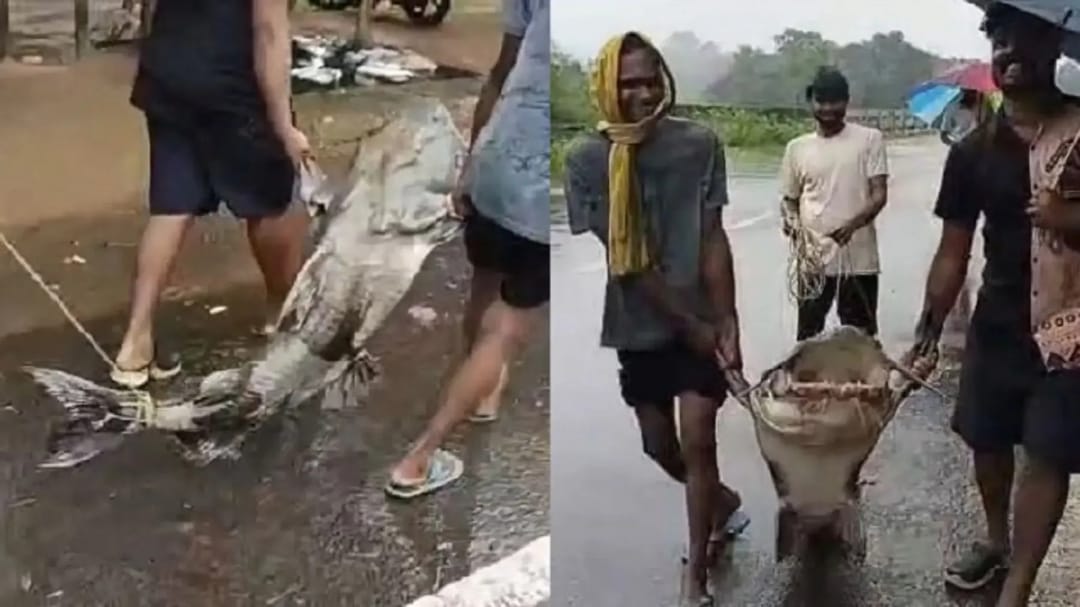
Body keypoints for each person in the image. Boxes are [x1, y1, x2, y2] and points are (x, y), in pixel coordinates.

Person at [563, 32, 748, 607]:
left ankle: (696, 572)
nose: (642, 93)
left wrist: (727, 319)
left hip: (701, 318)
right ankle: (722, 502)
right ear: (605, 90)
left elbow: (713, 235)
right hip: (638, 323)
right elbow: (627, 260)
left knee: (698, 440)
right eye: (627, 84)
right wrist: (688, 322)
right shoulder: (586, 160)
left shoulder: (700, 145)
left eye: (650, 80)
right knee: (659, 447)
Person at [906, 5, 1080, 605]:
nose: (1008, 51)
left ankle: (1018, 587)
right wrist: (929, 329)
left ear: (1054, 44)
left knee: (1050, 448)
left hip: (1071, 325)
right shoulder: (973, 150)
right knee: (987, 437)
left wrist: (1070, 220)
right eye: (998, 40)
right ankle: (996, 539)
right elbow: (953, 250)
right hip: (1000, 319)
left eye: (1024, 38)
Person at [386, 0, 550, 499]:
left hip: (497, 164)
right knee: (506, 329)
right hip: (541, 192)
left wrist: (471, 166)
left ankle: (481, 394)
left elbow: (500, 75)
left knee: (484, 280)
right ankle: (420, 458)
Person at [111, 0, 310, 387]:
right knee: (271, 201)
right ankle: (283, 315)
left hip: (167, 72)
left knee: (172, 205)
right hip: (230, 84)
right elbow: (269, 33)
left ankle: (135, 344)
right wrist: (284, 126)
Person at [779, 67, 889, 341]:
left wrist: (853, 225)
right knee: (807, 338)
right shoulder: (796, 148)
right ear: (811, 102)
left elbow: (879, 194)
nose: (828, 108)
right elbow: (789, 201)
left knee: (860, 338)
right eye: (821, 101)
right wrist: (791, 222)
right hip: (812, 263)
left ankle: (860, 385)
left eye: (835, 101)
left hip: (858, 262)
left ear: (847, 101)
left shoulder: (870, 140)